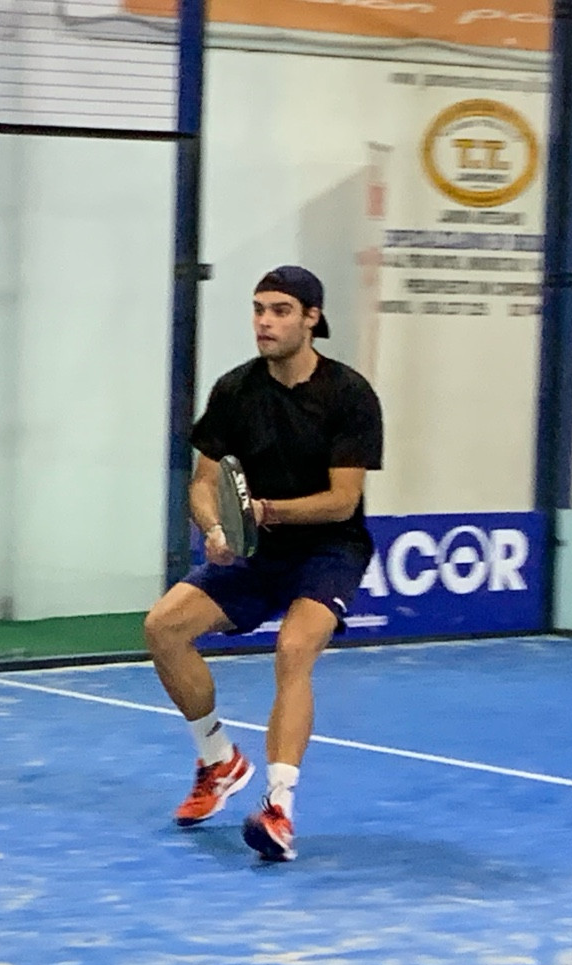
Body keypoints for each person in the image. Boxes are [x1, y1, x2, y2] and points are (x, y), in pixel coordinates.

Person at [143, 266, 384, 862]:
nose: (265, 322)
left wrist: (265, 512)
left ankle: (278, 807)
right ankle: (218, 760)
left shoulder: (349, 394)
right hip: (256, 550)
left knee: (293, 650)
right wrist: (216, 529)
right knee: (163, 627)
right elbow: (204, 483)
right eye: (258, 309)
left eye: (280, 310)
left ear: (312, 318)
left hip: (328, 550)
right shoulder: (235, 390)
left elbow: (342, 500)